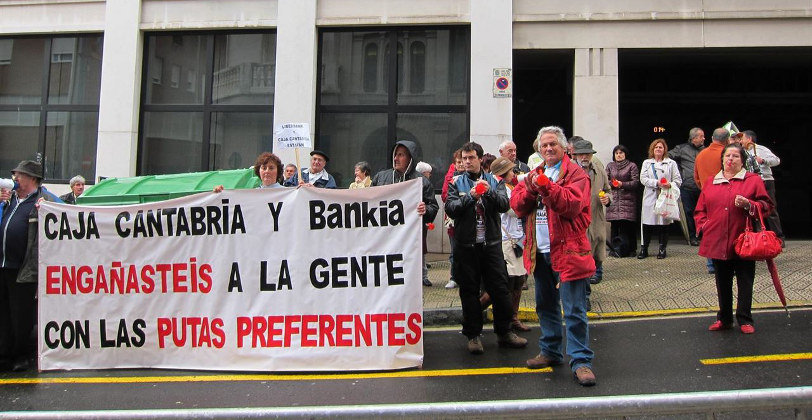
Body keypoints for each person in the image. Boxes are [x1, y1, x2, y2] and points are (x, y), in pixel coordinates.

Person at [510, 126, 597, 387]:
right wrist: (532, 189)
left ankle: (581, 361)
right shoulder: (535, 174)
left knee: (574, 310)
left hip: (568, 251)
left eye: (553, 145)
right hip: (540, 252)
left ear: (564, 148)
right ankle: (550, 350)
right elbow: (516, 204)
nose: (548, 149)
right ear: (538, 149)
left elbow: (571, 206)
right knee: (545, 306)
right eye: (544, 145)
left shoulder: (576, 174)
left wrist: (547, 188)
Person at [445, 142, 527, 354]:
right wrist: (471, 197)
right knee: (469, 292)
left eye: (471, 158)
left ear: (480, 159)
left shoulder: (494, 180)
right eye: (464, 158)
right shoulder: (456, 182)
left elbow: (503, 205)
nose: (467, 162)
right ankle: (473, 335)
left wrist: (488, 192)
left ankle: (504, 331)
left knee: (500, 290)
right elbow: (451, 209)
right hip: (466, 246)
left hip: (490, 245)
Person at [694, 143, 773, 334]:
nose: (730, 159)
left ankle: (745, 319)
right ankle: (725, 318)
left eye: (735, 156)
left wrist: (750, 205)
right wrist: (704, 226)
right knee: (722, 281)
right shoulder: (712, 181)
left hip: (744, 240)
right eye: (727, 156)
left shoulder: (753, 180)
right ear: (722, 159)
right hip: (718, 239)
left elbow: (767, 205)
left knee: (745, 280)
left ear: (742, 160)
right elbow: (700, 210)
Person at [0, 160, 62, 371]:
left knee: (21, 315)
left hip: (24, 268)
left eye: (20, 175)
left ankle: (21, 356)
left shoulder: (44, 200)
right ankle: (4, 354)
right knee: (4, 313)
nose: (15, 179)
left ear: (32, 179)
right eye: (15, 175)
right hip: (4, 266)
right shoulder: (10, 200)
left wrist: (49, 206)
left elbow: (65, 213)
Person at [372, 140, 439, 287]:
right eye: (395, 154)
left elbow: (433, 206)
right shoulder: (381, 177)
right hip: (384, 237)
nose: (396, 158)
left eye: (401, 155)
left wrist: (426, 209)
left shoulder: (422, 182)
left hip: (410, 239)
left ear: (410, 158)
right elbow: (368, 201)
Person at [490, 157, 530, 332]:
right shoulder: (500, 190)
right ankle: (480, 310)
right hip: (506, 240)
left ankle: (513, 317)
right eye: (511, 171)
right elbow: (513, 211)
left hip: (516, 238)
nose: (514, 173)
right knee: (507, 282)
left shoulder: (510, 188)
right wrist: (528, 198)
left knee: (518, 280)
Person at [571, 139, 611, 312]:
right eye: (582, 154)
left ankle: (583, 296)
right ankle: (583, 297)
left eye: (588, 154)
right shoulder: (568, 171)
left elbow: (608, 190)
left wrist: (608, 199)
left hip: (595, 222)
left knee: (592, 261)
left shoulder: (599, 170)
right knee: (580, 264)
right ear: (575, 155)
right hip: (575, 225)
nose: (585, 157)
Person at [694, 128, 730, 273]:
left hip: (706, 195)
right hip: (725, 195)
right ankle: (724, 260)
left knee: (709, 229)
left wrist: (704, 189)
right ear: (727, 140)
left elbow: (696, 177)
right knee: (726, 229)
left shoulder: (701, 154)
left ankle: (710, 264)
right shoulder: (726, 154)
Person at [639, 138, 681, 259]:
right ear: (652, 149)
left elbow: (678, 180)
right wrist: (657, 183)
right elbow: (643, 179)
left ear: (664, 150)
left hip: (665, 196)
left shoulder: (671, 163)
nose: (658, 149)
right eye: (656, 147)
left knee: (664, 222)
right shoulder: (647, 163)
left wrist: (670, 185)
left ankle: (662, 249)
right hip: (650, 195)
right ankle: (644, 248)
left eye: (660, 147)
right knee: (647, 223)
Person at [741, 130, 784, 246]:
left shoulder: (761, 149)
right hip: (751, 181)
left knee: (771, 208)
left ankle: (779, 238)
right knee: (754, 209)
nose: (741, 141)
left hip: (766, 180)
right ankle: (760, 238)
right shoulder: (742, 152)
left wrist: (763, 160)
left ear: (749, 139)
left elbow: (777, 160)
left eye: (742, 138)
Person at [668, 128, 705, 246]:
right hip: (687, 187)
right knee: (689, 212)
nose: (704, 138)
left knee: (703, 213)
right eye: (701, 136)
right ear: (694, 138)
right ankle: (692, 237)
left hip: (703, 187)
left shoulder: (706, 150)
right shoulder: (681, 149)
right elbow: (667, 156)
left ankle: (704, 236)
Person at [605, 145, 640, 258]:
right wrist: (613, 184)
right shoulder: (610, 166)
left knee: (627, 225)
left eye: (621, 153)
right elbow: (606, 180)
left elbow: (635, 182)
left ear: (625, 154)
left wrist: (622, 184)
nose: (619, 155)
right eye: (617, 153)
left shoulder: (632, 166)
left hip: (628, 199)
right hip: (614, 199)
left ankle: (631, 249)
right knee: (614, 226)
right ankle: (614, 249)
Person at [441, 149, 464, 289]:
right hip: (454, 219)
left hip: (469, 218)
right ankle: (454, 277)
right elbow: (445, 195)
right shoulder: (450, 177)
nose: (461, 164)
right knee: (455, 249)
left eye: (463, 161)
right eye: (459, 162)